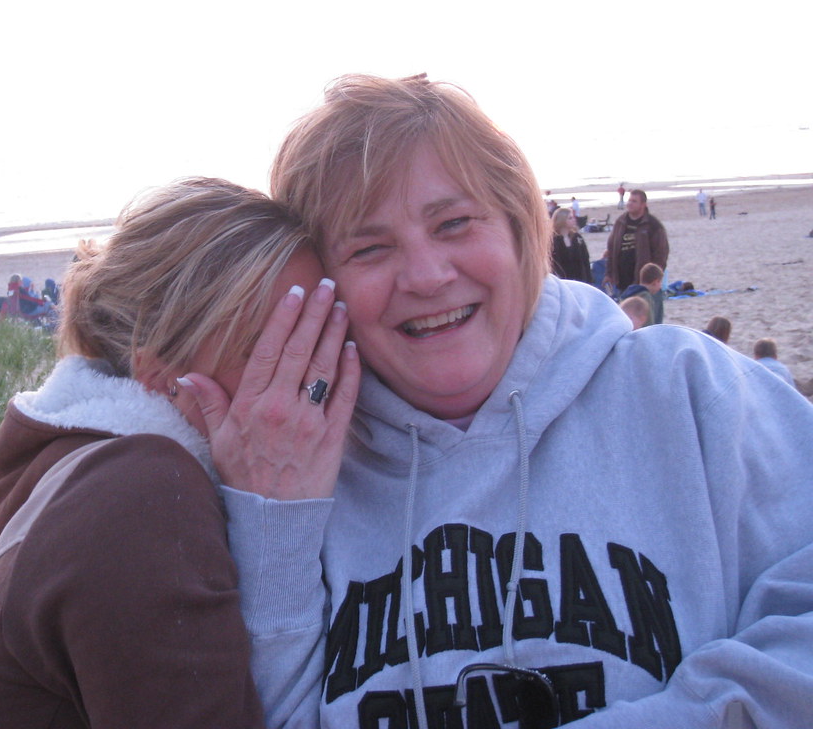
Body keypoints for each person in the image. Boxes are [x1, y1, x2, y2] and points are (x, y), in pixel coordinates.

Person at [179, 74, 813, 729]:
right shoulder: (289, 459)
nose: (427, 276)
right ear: (327, 282)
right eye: (369, 248)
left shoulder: (688, 390)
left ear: (518, 228)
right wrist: (276, 522)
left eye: (454, 223)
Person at [0, 177, 348, 728]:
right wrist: (277, 527)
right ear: (162, 377)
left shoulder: (97, 464)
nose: (317, 372)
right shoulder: (139, 497)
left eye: (329, 332)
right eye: (277, 349)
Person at [603, 189, 669, 296]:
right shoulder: (620, 222)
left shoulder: (653, 225)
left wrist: (653, 278)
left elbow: (661, 254)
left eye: (634, 201)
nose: (629, 204)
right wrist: (609, 274)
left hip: (644, 282)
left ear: (643, 204)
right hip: (621, 280)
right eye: (629, 200)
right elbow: (611, 249)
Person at [549, 207, 591, 283]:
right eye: (570, 218)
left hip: (580, 279)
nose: (574, 220)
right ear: (562, 220)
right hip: (562, 280)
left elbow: (585, 259)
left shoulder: (577, 238)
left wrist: (589, 279)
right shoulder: (553, 240)